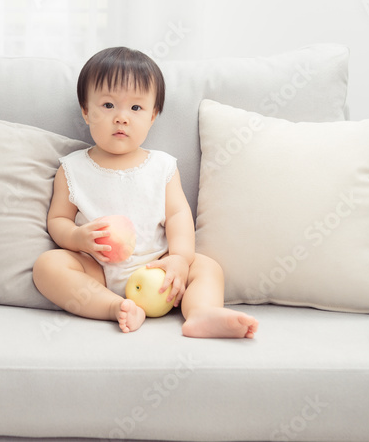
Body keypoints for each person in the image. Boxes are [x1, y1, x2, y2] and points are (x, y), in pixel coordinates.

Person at [32, 46, 259, 337]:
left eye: (136, 108)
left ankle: (200, 313)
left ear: (153, 116)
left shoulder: (161, 165)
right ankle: (115, 307)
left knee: (207, 267)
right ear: (86, 111)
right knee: (47, 265)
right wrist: (77, 238)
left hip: (160, 270)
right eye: (108, 105)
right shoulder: (72, 168)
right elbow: (57, 220)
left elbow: (177, 215)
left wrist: (178, 258)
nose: (122, 117)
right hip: (98, 271)